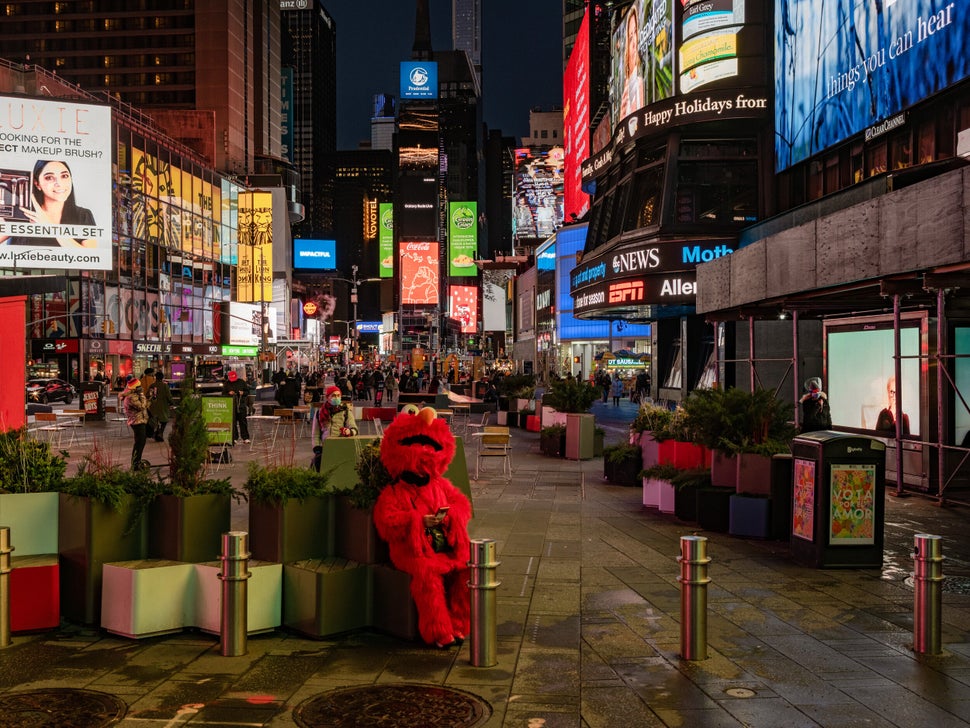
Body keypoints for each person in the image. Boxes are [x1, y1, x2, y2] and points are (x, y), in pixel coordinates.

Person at [0, 160, 98, 248]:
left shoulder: (83, 215)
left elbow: (91, 257)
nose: (59, 183)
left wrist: (49, 226)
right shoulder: (24, 214)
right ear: (37, 184)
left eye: (64, 176)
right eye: (49, 177)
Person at [311, 385, 358, 472]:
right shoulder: (320, 413)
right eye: (333, 395)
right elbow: (315, 433)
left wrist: (349, 431)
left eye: (338, 395)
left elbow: (354, 428)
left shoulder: (346, 412)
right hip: (325, 449)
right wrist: (317, 449)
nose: (336, 398)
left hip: (341, 448)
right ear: (327, 397)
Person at [618, 6, 643, 120]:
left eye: (635, 33)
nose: (633, 43)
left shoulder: (639, 82)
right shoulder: (625, 88)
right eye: (630, 37)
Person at [120, 375, 149, 470]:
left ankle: (136, 462)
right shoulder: (131, 397)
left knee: (140, 443)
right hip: (137, 422)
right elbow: (142, 406)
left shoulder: (131, 394)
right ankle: (135, 464)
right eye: (139, 386)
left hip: (138, 420)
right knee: (139, 443)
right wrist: (141, 394)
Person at [224, 370, 251, 444]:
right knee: (233, 422)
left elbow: (247, 392)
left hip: (241, 405)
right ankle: (235, 437)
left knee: (243, 422)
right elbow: (223, 394)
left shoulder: (241, 382)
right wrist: (229, 393)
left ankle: (245, 437)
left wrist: (243, 393)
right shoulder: (226, 384)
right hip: (232, 405)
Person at [147, 371, 175, 442]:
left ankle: (157, 432)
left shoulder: (152, 385)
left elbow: (148, 395)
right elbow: (168, 396)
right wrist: (172, 403)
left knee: (155, 420)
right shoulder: (165, 386)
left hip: (153, 406)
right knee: (164, 420)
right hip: (163, 406)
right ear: (162, 378)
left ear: (156, 377)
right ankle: (160, 433)